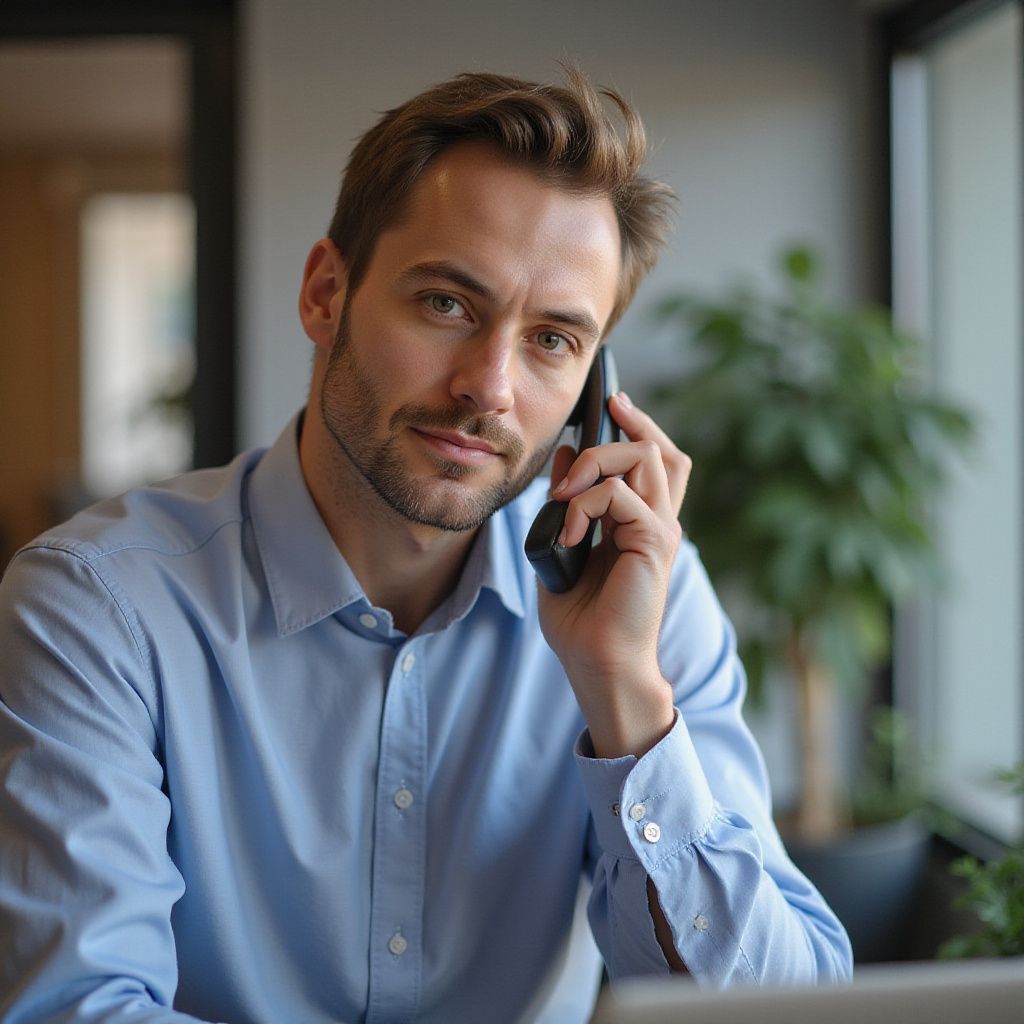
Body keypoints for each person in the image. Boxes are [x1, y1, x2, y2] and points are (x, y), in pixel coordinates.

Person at [0, 67, 852, 1024]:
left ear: (594, 390)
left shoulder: (643, 601)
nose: (490, 387)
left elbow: (789, 1010)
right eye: (447, 303)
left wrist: (625, 695)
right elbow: (77, 1009)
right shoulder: (98, 606)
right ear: (326, 294)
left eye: (553, 341)